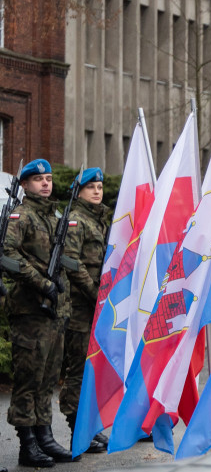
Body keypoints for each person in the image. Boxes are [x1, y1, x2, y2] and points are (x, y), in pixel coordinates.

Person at [4, 159, 76, 468]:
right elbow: (7, 255)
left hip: (54, 311)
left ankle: (45, 435)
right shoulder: (21, 217)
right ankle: (27, 443)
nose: (46, 183)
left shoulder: (55, 215)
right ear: (24, 185)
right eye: (38, 179)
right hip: (30, 309)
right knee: (29, 378)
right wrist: (41, 282)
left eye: (48, 178)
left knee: (48, 378)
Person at [60, 167, 111, 453]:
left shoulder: (98, 220)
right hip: (80, 305)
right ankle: (76, 430)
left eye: (100, 186)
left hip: (96, 304)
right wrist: (95, 293)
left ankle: (88, 426)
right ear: (78, 191)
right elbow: (71, 262)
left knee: (93, 367)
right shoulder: (77, 221)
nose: (97, 191)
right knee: (79, 368)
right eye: (91, 187)